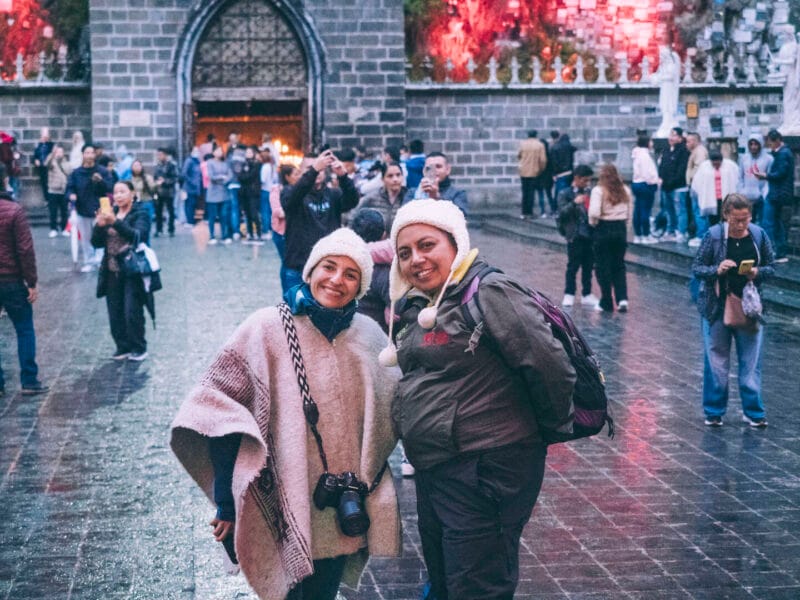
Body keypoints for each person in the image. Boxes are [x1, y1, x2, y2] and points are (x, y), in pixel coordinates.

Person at [171, 228, 401, 600]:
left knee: (323, 592)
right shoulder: (265, 328)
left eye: (351, 274)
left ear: (360, 287)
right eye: (329, 267)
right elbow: (218, 411)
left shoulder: (370, 336)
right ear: (311, 271)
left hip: (338, 508)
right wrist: (227, 500)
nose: (336, 280)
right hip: (280, 499)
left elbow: (397, 409)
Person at [378, 199, 575, 600]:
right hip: (439, 468)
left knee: (477, 587)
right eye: (405, 252)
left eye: (427, 245)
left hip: (485, 470)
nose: (416, 259)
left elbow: (550, 365)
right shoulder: (422, 302)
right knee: (446, 583)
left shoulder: (489, 291)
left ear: (456, 243)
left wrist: (528, 437)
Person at [691, 194, 775, 428]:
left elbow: (771, 266)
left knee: (751, 362)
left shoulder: (758, 235)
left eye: (745, 219)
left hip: (749, 306)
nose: (741, 224)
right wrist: (717, 269)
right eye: (736, 220)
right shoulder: (714, 235)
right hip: (717, 307)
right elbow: (697, 267)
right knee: (716, 362)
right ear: (726, 215)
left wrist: (757, 272)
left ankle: (753, 412)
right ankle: (714, 411)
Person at [91, 181, 152, 362]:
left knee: (131, 310)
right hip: (111, 269)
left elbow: (138, 235)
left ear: (132, 194)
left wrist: (115, 223)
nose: (118, 196)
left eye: (122, 192)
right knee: (115, 311)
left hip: (132, 270)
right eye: (115, 192)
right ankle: (123, 346)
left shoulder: (140, 213)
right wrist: (99, 226)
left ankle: (139, 347)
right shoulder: (111, 213)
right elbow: (96, 243)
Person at [282, 150, 359, 290]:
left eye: (320, 168)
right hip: (297, 268)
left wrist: (343, 176)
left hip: (326, 268)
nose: (317, 172)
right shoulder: (290, 192)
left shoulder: (333, 195)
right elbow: (290, 200)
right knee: (295, 305)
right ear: (301, 172)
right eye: (310, 168)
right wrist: (314, 170)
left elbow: (352, 200)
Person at [0, 191, 49, 396]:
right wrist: (31, 281)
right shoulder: (14, 210)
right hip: (11, 279)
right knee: (24, 329)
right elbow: (25, 250)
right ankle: (29, 380)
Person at [588, 164, 632, 313]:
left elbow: (594, 212)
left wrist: (593, 223)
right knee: (619, 265)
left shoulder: (598, 190)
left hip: (604, 227)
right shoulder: (625, 190)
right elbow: (630, 213)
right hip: (620, 228)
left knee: (602, 266)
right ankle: (622, 298)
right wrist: (626, 228)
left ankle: (606, 300)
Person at [64, 143, 114, 272]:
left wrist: (100, 181)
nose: (90, 155)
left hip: (101, 209)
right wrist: (71, 195)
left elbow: (110, 187)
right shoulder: (76, 173)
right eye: (87, 153)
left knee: (101, 235)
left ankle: (101, 261)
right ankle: (89, 261)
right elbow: (69, 188)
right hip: (83, 209)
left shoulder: (102, 171)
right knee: (86, 239)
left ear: (95, 155)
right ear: (83, 154)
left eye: (92, 153)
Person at [557, 164, 598, 307]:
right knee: (573, 266)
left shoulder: (590, 193)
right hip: (574, 234)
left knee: (588, 265)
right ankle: (569, 293)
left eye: (589, 180)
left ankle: (587, 293)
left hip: (589, 234)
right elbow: (561, 213)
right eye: (585, 180)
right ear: (576, 178)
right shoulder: (565, 193)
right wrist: (574, 203)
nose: (587, 183)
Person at [755, 129, 795, 259]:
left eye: (771, 143)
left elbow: (780, 173)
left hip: (777, 194)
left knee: (769, 222)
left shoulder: (783, 154)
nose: (770, 146)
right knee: (776, 223)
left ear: (777, 140)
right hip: (779, 194)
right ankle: (778, 252)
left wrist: (765, 175)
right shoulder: (783, 152)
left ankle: (771, 251)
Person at [403, 152, 468, 217]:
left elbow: (459, 217)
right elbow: (404, 215)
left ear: (448, 170)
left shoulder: (457, 193)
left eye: (438, 167)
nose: (434, 171)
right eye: (429, 168)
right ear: (424, 171)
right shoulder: (412, 193)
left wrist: (437, 198)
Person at [656, 127, 690, 242]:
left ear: (680, 138)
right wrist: (661, 178)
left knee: (680, 210)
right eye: (670, 135)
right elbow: (662, 166)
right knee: (668, 210)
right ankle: (670, 230)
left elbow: (681, 170)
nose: (671, 138)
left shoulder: (683, 151)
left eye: (674, 135)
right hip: (665, 186)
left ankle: (681, 232)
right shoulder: (666, 150)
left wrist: (671, 182)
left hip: (678, 186)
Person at [691, 151, 739, 231]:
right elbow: (697, 182)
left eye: (718, 163)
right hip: (711, 197)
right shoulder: (704, 166)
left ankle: (726, 234)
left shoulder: (730, 166)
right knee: (713, 218)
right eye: (714, 164)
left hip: (725, 197)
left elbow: (737, 179)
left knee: (726, 216)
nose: (716, 165)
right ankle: (715, 234)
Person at [354, 162, 406, 234]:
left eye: (398, 175)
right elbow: (354, 217)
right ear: (382, 179)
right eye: (390, 176)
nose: (395, 179)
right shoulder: (371, 198)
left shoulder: (408, 198)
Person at [272, 164, 300, 292]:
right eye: (295, 174)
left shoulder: (299, 190)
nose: (298, 177)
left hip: (294, 232)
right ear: (287, 177)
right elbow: (278, 212)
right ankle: (287, 292)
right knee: (287, 262)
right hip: (282, 233)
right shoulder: (276, 190)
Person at [737, 133, 773, 228]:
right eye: (751, 144)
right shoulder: (744, 158)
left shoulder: (769, 159)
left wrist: (763, 193)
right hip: (746, 197)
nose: (753, 147)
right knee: (747, 224)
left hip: (761, 197)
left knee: (763, 223)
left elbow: (769, 178)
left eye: (756, 144)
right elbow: (740, 177)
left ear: (761, 145)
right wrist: (741, 191)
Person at [630, 134, 660, 244]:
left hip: (637, 183)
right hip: (645, 184)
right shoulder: (644, 156)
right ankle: (646, 235)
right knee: (645, 210)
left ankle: (638, 234)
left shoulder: (637, 154)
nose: (652, 143)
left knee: (638, 210)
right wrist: (655, 181)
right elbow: (648, 173)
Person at [686, 132, 710, 246]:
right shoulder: (695, 152)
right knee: (697, 211)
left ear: (695, 141)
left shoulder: (700, 152)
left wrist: (692, 179)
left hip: (699, 186)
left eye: (689, 141)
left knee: (699, 211)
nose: (687, 144)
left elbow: (699, 168)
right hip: (695, 185)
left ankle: (702, 236)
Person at [206, 146, 233, 245]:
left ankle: (224, 235)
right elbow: (211, 176)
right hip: (213, 193)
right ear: (213, 152)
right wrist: (221, 177)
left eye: (221, 151)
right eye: (217, 151)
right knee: (212, 216)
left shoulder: (225, 163)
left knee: (224, 215)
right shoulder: (210, 162)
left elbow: (230, 175)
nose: (219, 152)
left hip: (224, 192)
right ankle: (212, 236)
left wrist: (225, 180)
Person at [518, 130, 548, 219]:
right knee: (531, 193)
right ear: (536, 135)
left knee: (525, 192)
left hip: (523, 171)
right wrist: (541, 170)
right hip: (534, 171)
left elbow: (519, 155)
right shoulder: (540, 145)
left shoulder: (523, 144)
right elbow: (543, 160)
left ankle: (523, 212)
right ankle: (529, 212)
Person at [44, 145, 72, 237]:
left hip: (63, 190)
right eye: (57, 152)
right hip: (53, 190)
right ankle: (53, 229)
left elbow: (69, 172)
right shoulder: (51, 161)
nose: (59, 153)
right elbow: (46, 164)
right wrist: (52, 155)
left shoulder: (66, 162)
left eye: (61, 152)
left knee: (64, 211)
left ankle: (64, 228)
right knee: (53, 211)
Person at [238, 146, 263, 244]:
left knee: (254, 214)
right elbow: (240, 176)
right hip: (244, 193)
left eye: (250, 152)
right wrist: (244, 177)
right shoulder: (244, 164)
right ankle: (250, 234)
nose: (248, 154)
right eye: (247, 152)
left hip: (253, 192)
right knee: (247, 214)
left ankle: (259, 234)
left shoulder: (256, 164)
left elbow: (250, 176)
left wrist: (245, 176)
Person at [153, 147, 178, 237]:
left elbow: (175, 178)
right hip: (159, 191)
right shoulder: (157, 166)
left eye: (161, 155)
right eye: (158, 155)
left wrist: (165, 181)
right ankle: (159, 229)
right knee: (158, 211)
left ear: (165, 155)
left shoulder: (171, 166)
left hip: (169, 192)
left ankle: (171, 229)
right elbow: (155, 177)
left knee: (171, 211)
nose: (159, 157)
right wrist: (156, 182)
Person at [549, 132, 577, 200]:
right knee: (568, 192)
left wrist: (553, 173)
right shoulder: (569, 147)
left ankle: (557, 206)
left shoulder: (555, 147)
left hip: (560, 173)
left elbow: (554, 162)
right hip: (570, 172)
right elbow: (575, 148)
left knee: (560, 193)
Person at [180, 147, 203, 226]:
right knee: (189, 204)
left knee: (193, 204)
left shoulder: (197, 162)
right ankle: (189, 221)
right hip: (189, 187)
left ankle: (192, 220)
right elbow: (184, 173)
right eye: (195, 151)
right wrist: (191, 182)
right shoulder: (189, 161)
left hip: (196, 188)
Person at [130, 160, 157, 224]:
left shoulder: (148, 177)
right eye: (135, 166)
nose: (137, 167)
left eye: (138, 165)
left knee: (147, 222)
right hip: (134, 204)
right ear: (131, 168)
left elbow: (153, 189)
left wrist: (155, 185)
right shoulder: (129, 178)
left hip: (146, 202)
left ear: (141, 167)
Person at [259, 144, 276, 240]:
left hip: (265, 190)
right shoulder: (272, 166)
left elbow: (263, 179)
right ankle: (270, 229)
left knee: (264, 211)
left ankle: (265, 230)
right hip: (271, 190)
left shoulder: (265, 167)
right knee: (270, 211)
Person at [33, 128, 54, 201]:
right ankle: (47, 200)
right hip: (41, 167)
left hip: (50, 167)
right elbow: (35, 155)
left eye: (46, 134)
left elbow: (53, 154)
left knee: (50, 184)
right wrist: (36, 160)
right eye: (43, 134)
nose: (45, 136)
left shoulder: (51, 145)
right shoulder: (38, 145)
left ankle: (51, 200)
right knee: (44, 184)